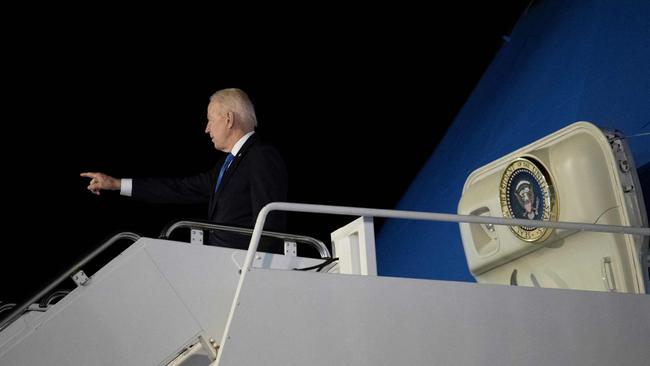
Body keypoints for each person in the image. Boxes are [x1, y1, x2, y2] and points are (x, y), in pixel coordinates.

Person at [80, 88, 287, 253]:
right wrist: (117, 184)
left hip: (241, 268)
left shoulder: (261, 156)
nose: (206, 129)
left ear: (228, 119)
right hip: (224, 263)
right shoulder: (228, 163)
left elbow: (270, 225)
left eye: (210, 119)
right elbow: (181, 189)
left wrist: (255, 274)